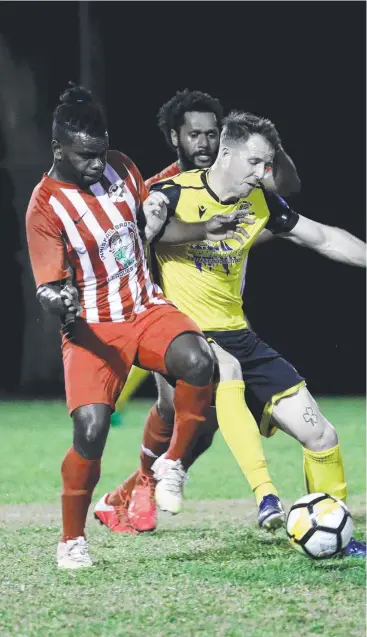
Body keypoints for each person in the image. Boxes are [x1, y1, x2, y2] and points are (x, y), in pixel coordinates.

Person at [102, 110, 366, 558]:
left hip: (239, 334)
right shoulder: (170, 193)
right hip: (186, 336)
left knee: (321, 435)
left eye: (267, 165)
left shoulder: (259, 202)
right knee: (214, 382)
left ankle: (333, 530)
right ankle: (263, 495)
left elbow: (321, 237)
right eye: (255, 163)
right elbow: (143, 235)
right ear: (226, 153)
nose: (263, 174)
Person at [25, 84, 249, 569]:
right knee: (91, 431)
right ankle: (71, 539)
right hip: (93, 328)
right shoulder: (45, 206)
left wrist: (203, 229)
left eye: (99, 152)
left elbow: (153, 228)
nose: (94, 163)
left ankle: (170, 466)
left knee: (198, 362)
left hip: (144, 307)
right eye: (84, 156)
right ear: (57, 148)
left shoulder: (121, 167)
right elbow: (47, 285)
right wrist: (56, 298)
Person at [112, 89, 300, 422]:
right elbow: (131, 247)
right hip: (168, 310)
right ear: (175, 137)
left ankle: (158, 469)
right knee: (179, 412)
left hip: (220, 307)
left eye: (211, 134)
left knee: (204, 413)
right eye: (194, 134)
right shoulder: (159, 189)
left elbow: (287, 186)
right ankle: (146, 458)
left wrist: (273, 145)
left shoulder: (234, 178)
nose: (204, 143)